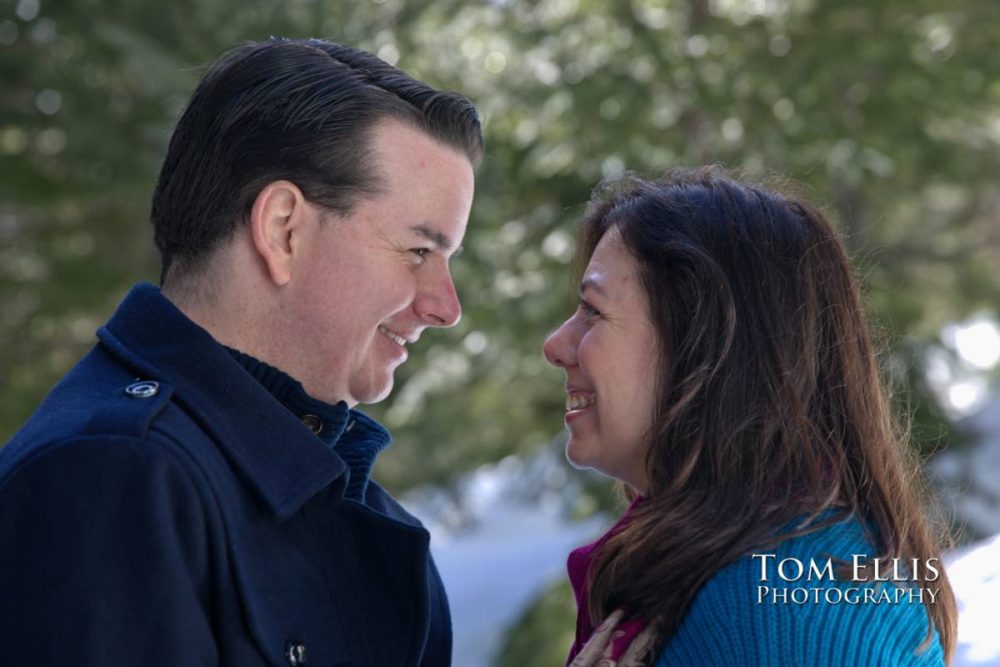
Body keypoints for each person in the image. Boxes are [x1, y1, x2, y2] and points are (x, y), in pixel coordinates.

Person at [0, 37, 482, 666]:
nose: (445, 307)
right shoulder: (112, 477)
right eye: (419, 251)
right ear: (283, 229)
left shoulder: (363, 513)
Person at [542, 167, 957, 666]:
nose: (556, 345)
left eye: (593, 311)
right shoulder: (743, 571)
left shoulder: (792, 616)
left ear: (702, 344)